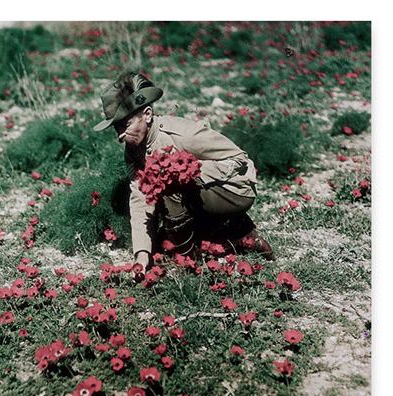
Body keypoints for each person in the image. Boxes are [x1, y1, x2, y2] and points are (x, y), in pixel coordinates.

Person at [93, 71, 274, 270]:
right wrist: (142, 255)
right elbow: (140, 198)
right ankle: (239, 234)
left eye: (125, 126)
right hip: (202, 194)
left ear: (147, 115)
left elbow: (239, 159)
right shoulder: (133, 150)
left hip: (236, 191)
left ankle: (189, 261)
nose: (120, 136)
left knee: (168, 186)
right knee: (161, 240)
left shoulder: (184, 135)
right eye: (116, 129)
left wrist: (190, 171)